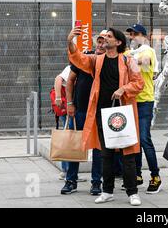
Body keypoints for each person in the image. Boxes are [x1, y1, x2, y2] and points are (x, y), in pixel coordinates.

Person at [67, 26, 145, 206]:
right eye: (103, 37)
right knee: (106, 155)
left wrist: (123, 89)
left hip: (122, 113)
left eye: (109, 37)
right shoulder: (97, 60)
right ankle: (107, 191)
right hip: (102, 114)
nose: (105, 39)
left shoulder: (127, 59)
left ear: (118, 42)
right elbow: (79, 59)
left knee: (128, 155)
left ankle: (132, 193)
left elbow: (138, 83)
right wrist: (70, 41)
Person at [60, 31, 106, 195]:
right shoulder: (86, 57)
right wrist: (70, 103)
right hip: (81, 110)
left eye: (104, 42)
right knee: (77, 145)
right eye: (99, 41)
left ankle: (96, 183)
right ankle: (71, 181)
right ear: (95, 43)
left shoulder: (111, 62)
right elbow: (70, 81)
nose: (101, 45)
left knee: (98, 148)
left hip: (101, 112)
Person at [126, 23, 162, 193]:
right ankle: (137, 174)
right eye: (130, 35)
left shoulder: (148, 51)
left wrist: (129, 59)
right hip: (131, 100)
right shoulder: (131, 52)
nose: (131, 37)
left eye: (133, 34)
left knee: (144, 139)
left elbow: (146, 63)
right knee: (135, 140)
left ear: (140, 34)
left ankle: (155, 176)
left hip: (145, 100)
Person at [54, 65, 71, 180]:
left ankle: (66, 171)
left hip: (70, 105)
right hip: (68, 106)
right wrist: (58, 97)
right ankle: (66, 170)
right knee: (69, 138)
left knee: (68, 137)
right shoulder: (71, 67)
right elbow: (58, 78)